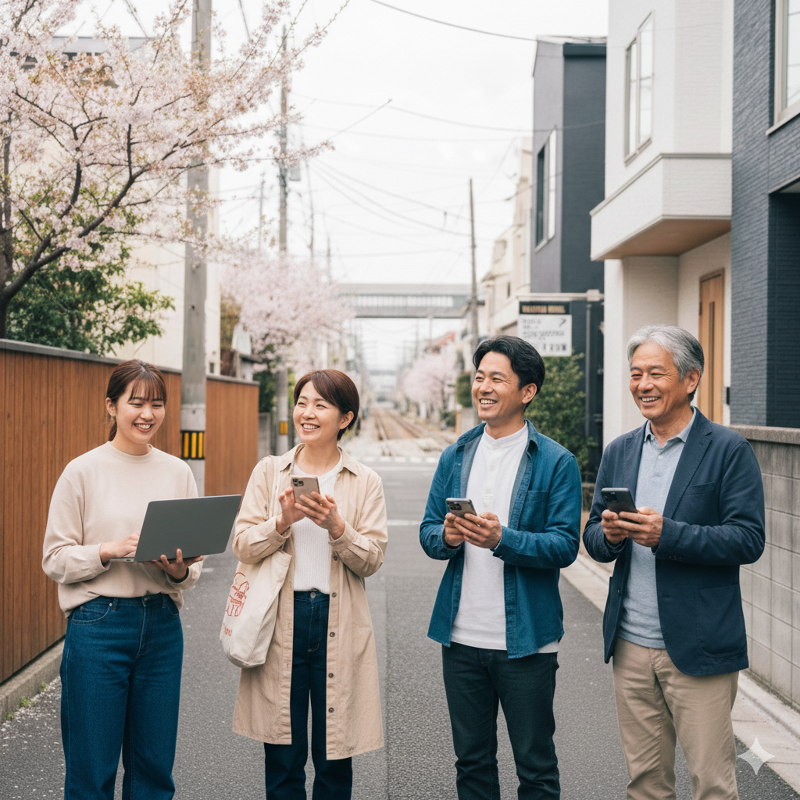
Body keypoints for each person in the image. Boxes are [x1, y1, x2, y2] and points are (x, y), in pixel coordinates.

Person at [583, 325, 765, 800]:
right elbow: (593, 539)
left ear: (690, 379)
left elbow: (748, 539)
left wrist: (669, 535)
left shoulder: (728, 449)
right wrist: (611, 535)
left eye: (655, 373)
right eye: (636, 373)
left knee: (712, 784)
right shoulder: (620, 450)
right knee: (645, 784)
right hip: (630, 643)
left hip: (699, 647)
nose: (642, 383)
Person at [420, 335, 582, 800]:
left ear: (526, 391)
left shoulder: (556, 461)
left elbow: (565, 545)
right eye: (478, 377)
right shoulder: (457, 454)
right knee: (471, 764)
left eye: (497, 378)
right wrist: (447, 537)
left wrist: (502, 539)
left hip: (527, 641)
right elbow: (430, 529)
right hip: (461, 636)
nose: (483, 387)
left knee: (535, 767)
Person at [42, 359, 204, 800]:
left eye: (157, 404)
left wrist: (178, 569)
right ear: (111, 406)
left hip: (163, 626)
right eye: (136, 403)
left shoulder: (178, 471)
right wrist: (107, 551)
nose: (147, 414)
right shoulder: (83, 471)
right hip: (98, 625)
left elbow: (193, 568)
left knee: (153, 769)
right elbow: (54, 559)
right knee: (91, 768)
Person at [231, 369, 388, 800]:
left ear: (345, 418)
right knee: (283, 751)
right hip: (282, 618)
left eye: (321, 404)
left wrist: (338, 528)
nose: (308, 412)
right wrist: (281, 522)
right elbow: (243, 545)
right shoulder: (269, 472)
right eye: (302, 402)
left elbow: (372, 559)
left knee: (335, 751)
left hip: (338, 618)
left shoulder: (365, 480)